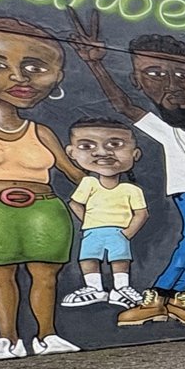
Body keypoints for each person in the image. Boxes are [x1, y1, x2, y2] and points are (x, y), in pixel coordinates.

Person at [68, 8, 185, 328]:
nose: (175, 88)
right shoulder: (164, 130)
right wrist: (96, 65)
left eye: (183, 77)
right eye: (156, 75)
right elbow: (124, 106)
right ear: (138, 80)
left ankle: (179, 292)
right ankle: (159, 290)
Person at [0, 15, 88, 359]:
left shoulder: (41, 132)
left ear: (58, 77)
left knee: (46, 278)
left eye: (35, 67)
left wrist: (107, 189)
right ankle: (7, 340)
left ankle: (47, 336)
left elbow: (73, 173)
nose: (18, 77)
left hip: (44, 210)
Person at [61, 117, 150, 310]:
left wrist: (127, 234)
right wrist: (89, 223)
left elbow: (141, 214)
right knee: (88, 258)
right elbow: (75, 204)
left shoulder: (131, 190)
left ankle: (121, 289)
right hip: (93, 231)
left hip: (119, 231)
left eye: (115, 144)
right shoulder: (89, 184)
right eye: (86, 146)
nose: (102, 152)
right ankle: (94, 289)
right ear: (71, 152)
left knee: (120, 260)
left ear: (135, 154)